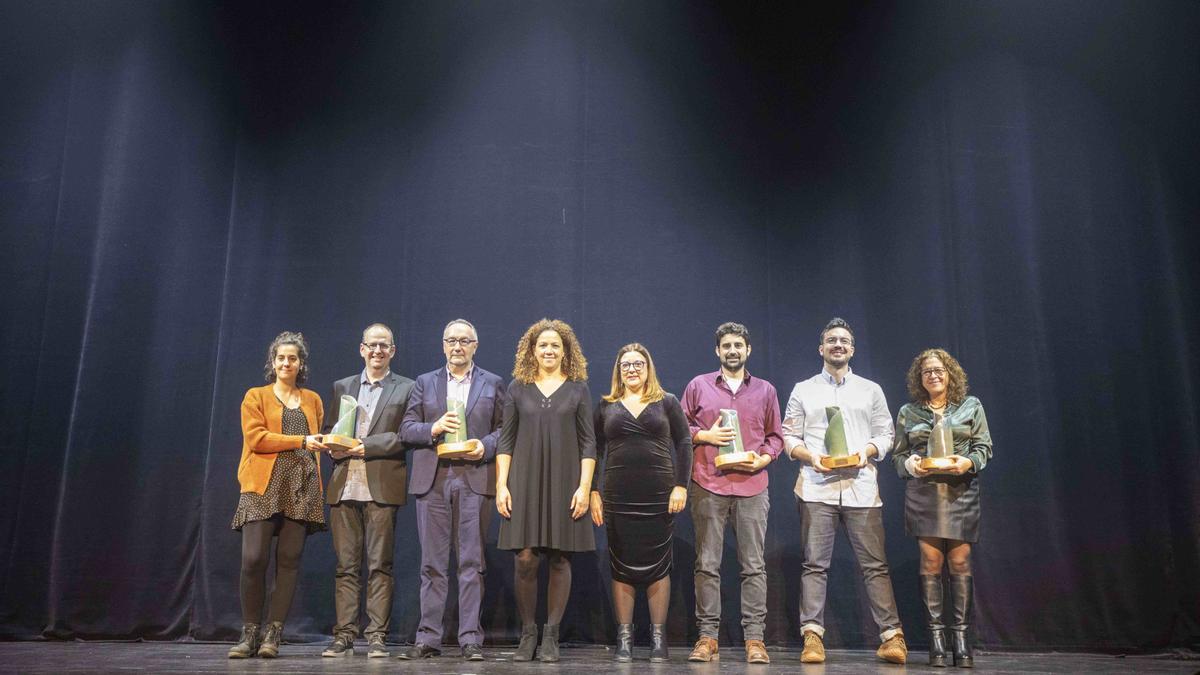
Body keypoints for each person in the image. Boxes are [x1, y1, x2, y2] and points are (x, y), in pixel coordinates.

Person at [782, 317, 907, 665]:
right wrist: (811, 456)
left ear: (852, 349)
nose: (838, 345)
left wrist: (865, 453)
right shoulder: (802, 389)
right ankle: (812, 637)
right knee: (814, 565)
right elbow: (788, 436)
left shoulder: (871, 390)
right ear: (821, 348)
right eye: (832, 340)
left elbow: (886, 435)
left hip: (861, 489)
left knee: (875, 566)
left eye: (844, 341)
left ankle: (893, 637)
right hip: (816, 488)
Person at [398, 319, 507, 661]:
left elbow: (505, 430)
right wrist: (434, 427)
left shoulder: (493, 383)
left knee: (472, 562)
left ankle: (470, 637)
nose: (457, 347)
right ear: (442, 345)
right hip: (434, 479)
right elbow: (406, 429)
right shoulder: (424, 382)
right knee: (432, 564)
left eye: (464, 341)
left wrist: (485, 446)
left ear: (475, 345)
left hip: (474, 477)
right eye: (451, 341)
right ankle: (428, 638)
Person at [681, 322, 783, 665]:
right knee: (707, 564)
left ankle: (755, 639)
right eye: (726, 346)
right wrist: (704, 436)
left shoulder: (766, 390)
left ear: (748, 350)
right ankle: (707, 637)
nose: (732, 350)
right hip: (708, 483)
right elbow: (680, 427)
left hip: (752, 487)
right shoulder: (699, 386)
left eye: (738, 345)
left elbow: (775, 437)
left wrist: (764, 458)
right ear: (717, 351)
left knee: (753, 566)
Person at [496, 318, 596, 663]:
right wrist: (501, 485)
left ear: (565, 350)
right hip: (523, 481)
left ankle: (551, 634)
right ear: (532, 350)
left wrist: (585, 488)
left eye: (555, 345)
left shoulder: (578, 388)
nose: (549, 350)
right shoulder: (517, 387)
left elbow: (588, 443)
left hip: (566, 481)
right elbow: (505, 441)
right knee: (525, 558)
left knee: (559, 557)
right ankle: (528, 633)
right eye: (543, 345)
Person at [590, 343, 693, 662]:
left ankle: (658, 638)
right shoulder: (606, 406)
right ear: (618, 370)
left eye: (638, 363)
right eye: (625, 365)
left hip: (659, 496)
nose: (632, 369)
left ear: (649, 368)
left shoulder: (667, 402)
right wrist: (593, 490)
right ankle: (624, 637)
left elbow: (685, 442)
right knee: (620, 564)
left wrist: (681, 486)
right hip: (618, 497)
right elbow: (593, 449)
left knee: (658, 563)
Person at [229, 331, 327, 659]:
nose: (287, 363)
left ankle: (273, 634)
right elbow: (257, 439)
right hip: (262, 486)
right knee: (253, 560)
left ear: (301, 364)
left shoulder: (313, 399)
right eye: (281, 358)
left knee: (288, 562)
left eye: (293, 358)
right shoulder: (255, 396)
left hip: (301, 487)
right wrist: (300, 440)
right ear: (273, 362)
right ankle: (250, 632)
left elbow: (317, 439)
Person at [893, 348, 992, 668]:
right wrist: (909, 464)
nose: (933, 375)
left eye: (939, 370)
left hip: (960, 490)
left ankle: (961, 638)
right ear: (919, 379)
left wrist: (968, 462)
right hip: (924, 492)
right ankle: (936, 639)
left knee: (960, 561)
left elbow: (984, 448)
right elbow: (897, 456)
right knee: (931, 560)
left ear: (950, 373)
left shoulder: (970, 406)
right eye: (926, 372)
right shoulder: (909, 411)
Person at [319, 323, 414, 658]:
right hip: (344, 485)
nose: (377, 351)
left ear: (392, 351)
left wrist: (363, 446)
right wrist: (331, 446)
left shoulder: (407, 388)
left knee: (379, 565)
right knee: (346, 566)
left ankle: (376, 635)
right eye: (372, 345)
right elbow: (330, 429)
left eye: (384, 346)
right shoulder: (342, 386)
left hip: (381, 486)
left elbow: (406, 436)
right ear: (362, 349)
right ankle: (344, 634)